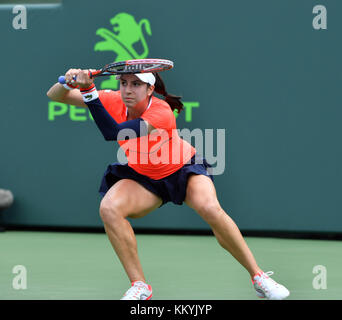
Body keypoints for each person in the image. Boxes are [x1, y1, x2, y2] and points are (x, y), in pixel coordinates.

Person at [46, 68, 290, 300]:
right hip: (144, 177)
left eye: (136, 84)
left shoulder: (160, 112)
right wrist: (67, 81)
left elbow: (115, 132)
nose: (128, 90)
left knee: (210, 209)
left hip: (184, 170)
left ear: (150, 89)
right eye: (123, 83)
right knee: (109, 208)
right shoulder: (113, 100)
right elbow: (55, 96)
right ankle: (139, 285)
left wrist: (89, 91)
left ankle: (258, 277)